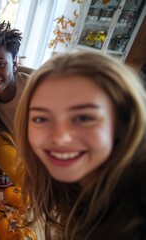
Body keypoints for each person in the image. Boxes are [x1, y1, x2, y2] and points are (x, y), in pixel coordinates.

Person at [14, 51, 146, 239]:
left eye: (83, 118)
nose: (60, 137)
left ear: (122, 123)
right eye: (41, 118)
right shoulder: (76, 191)